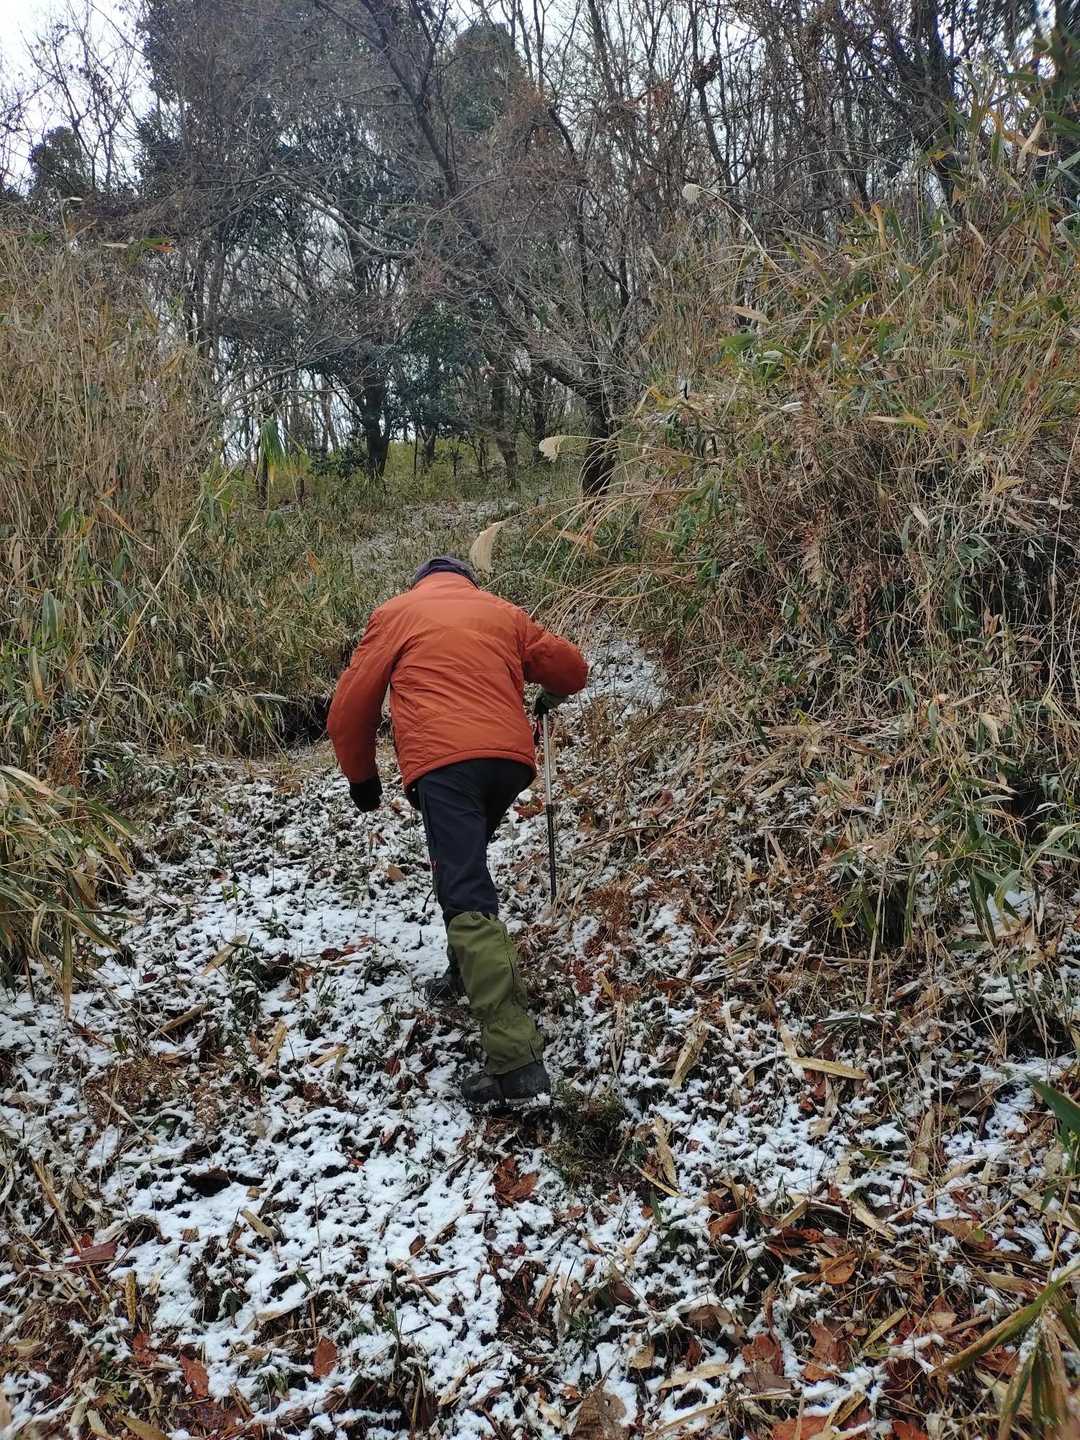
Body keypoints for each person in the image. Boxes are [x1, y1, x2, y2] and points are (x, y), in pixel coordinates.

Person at [327, 555, 588, 1105]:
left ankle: (517, 1063)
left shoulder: (396, 613)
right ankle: (464, 972)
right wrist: (548, 697)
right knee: (461, 863)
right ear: (468, 582)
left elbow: (351, 706)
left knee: (465, 887)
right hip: (507, 764)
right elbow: (571, 669)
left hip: (446, 764)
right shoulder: (501, 611)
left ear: (421, 582)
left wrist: (362, 780)